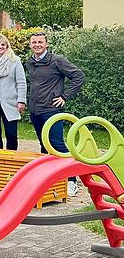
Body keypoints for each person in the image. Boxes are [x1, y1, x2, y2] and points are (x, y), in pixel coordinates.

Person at [25, 31, 85, 196]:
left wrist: (64, 96)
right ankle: (48, 179)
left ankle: (71, 181)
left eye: (40, 42)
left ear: (46, 44)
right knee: (44, 145)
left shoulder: (57, 60)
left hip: (52, 110)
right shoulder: (30, 62)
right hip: (36, 111)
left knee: (57, 145)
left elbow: (79, 76)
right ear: (30, 44)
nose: (37, 45)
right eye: (34, 42)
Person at [0, 35, 27, 151]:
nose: (0, 47)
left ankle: (12, 156)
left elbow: (21, 82)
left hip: (10, 102)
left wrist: (21, 101)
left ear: (7, 46)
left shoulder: (15, 61)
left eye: (3, 44)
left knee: (11, 134)